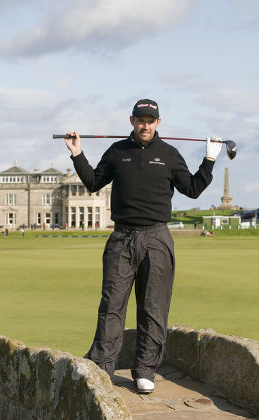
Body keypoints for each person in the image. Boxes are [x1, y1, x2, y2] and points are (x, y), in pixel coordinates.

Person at [65, 99, 222, 394]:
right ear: (132, 120)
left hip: (157, 238)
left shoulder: (170, 155)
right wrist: (78, 154)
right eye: (141, 119)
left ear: (158, 123)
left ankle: (146, 369)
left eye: (151, 120)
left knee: (153, 307)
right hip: (122, 238)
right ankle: (103, 366)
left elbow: (192, 189)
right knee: (111, 305)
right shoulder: (117, 152)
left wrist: (209, 160)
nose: (145, 125)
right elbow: (93, 182)